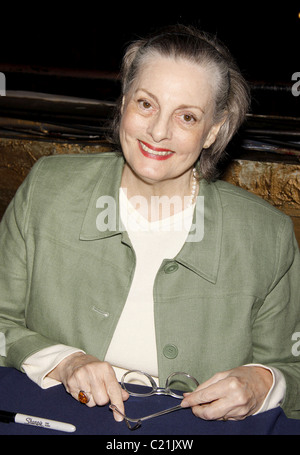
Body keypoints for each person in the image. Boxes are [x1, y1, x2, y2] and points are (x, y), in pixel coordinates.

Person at [0, 25, 299, 423]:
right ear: (124, 100)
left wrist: (261, 382)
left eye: (187, 116)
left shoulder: (268, 235)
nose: (159, 131)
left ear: (213, 130)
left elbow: (291, 369)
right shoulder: (46, 188)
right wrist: (63, 361)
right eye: (146, 104)